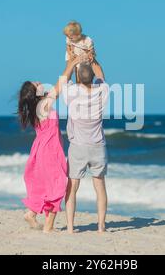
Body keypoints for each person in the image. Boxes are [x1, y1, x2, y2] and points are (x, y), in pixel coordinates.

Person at [17, 57, 80, 233]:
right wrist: (72, 64)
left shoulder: (37, 108)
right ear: (35, 92)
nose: (39, 82)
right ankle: (49, 227)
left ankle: (31, 213)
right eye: (35, 84)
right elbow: (60, 84)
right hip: (50, 151)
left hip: (41, 149)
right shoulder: (44, 104)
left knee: (47, 185)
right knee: (57, 185)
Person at [62, 61, 109, 233]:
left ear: (78, 78)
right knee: (100, 186)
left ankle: (70, 227)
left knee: (72, 187)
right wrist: (92, 59)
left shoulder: (72, 93)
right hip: (98, 146)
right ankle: (101, 226)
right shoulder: (101, 92)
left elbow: (64, 78)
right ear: (92, 78)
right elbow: (101, 75)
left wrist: (72, 62)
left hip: (78, 147)